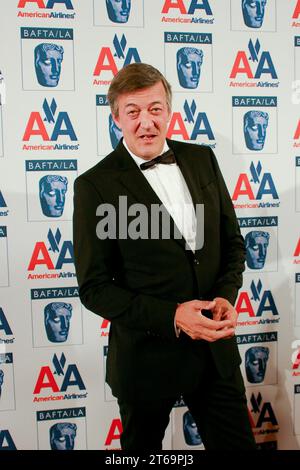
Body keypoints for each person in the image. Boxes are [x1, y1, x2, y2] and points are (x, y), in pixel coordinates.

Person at [73, 63, 256, 451]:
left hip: (215, 356)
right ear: (116, 117)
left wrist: (226, 294)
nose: (145, 122)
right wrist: (172, 316)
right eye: (133, 112)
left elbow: (232, 243)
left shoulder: (202, 159)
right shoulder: (95, 185)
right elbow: (94, 288)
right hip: (146, 362)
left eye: (155, 109)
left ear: (169, 111)